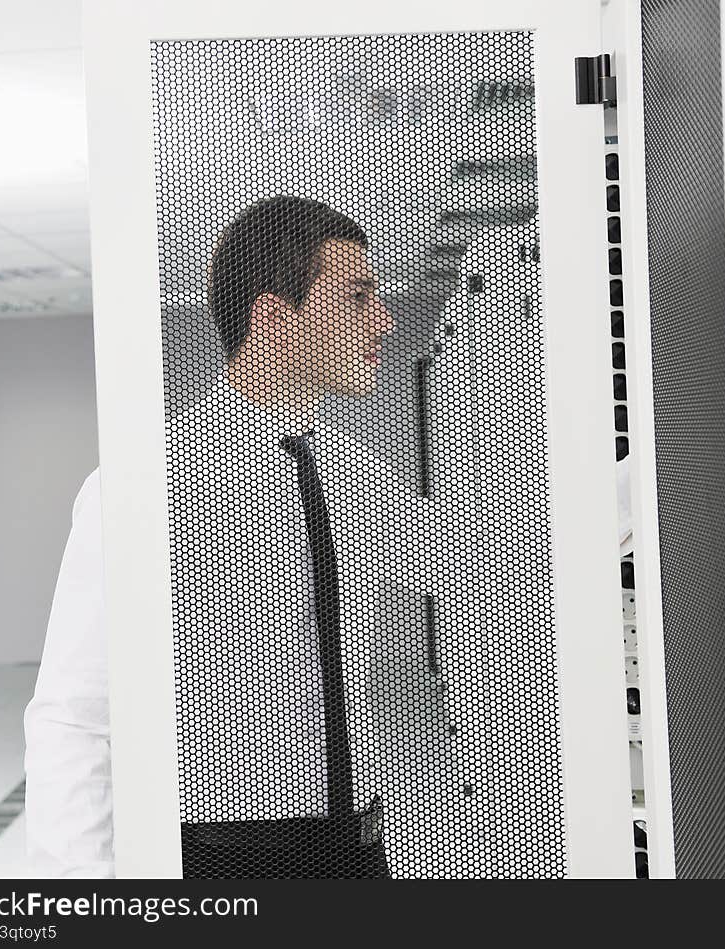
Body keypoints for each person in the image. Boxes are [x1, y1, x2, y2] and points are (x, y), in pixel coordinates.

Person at [23, 195, 440, 879]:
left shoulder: (356, 473)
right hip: (226, 862)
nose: (385, 321)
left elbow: (477, 563)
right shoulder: (145, 488)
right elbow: (75, 719)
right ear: (276, 318)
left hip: (358, 851)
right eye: (359, 298)